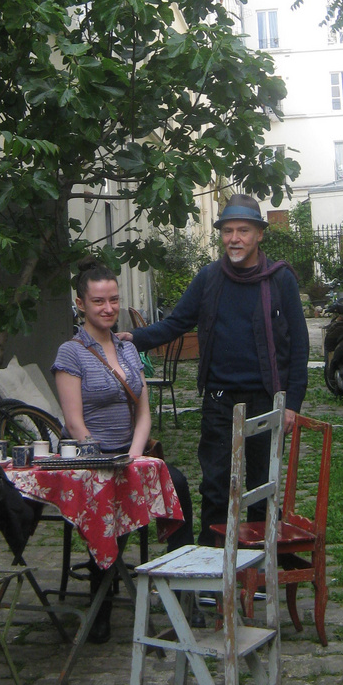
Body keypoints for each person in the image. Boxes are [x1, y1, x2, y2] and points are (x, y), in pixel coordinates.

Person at [120, 194, 310, 546]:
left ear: (259, 235)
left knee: (260, 487)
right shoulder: (210, 278)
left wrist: (293, 403)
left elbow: (299, 346)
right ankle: (212, 568)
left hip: (266, 401)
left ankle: (258, 569)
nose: (234, 238)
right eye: (227, 231)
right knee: (216, 485)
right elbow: (176, 323)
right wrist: (131, 340)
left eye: (243, 230)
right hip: (219, 402)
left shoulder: (280, 279)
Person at [51, 257, 194, 642]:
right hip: (91, 458)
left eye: (113, 299)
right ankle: (102, 598)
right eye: (99, 301)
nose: (109, 308)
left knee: (178, 485)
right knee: (108, 498)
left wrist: (133, 455)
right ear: (81, 303)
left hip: (130, 452)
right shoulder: (71, 353)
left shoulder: (129, 349)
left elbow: (144, 412)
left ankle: (186, 590)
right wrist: (105, 457)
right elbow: (74, 421)